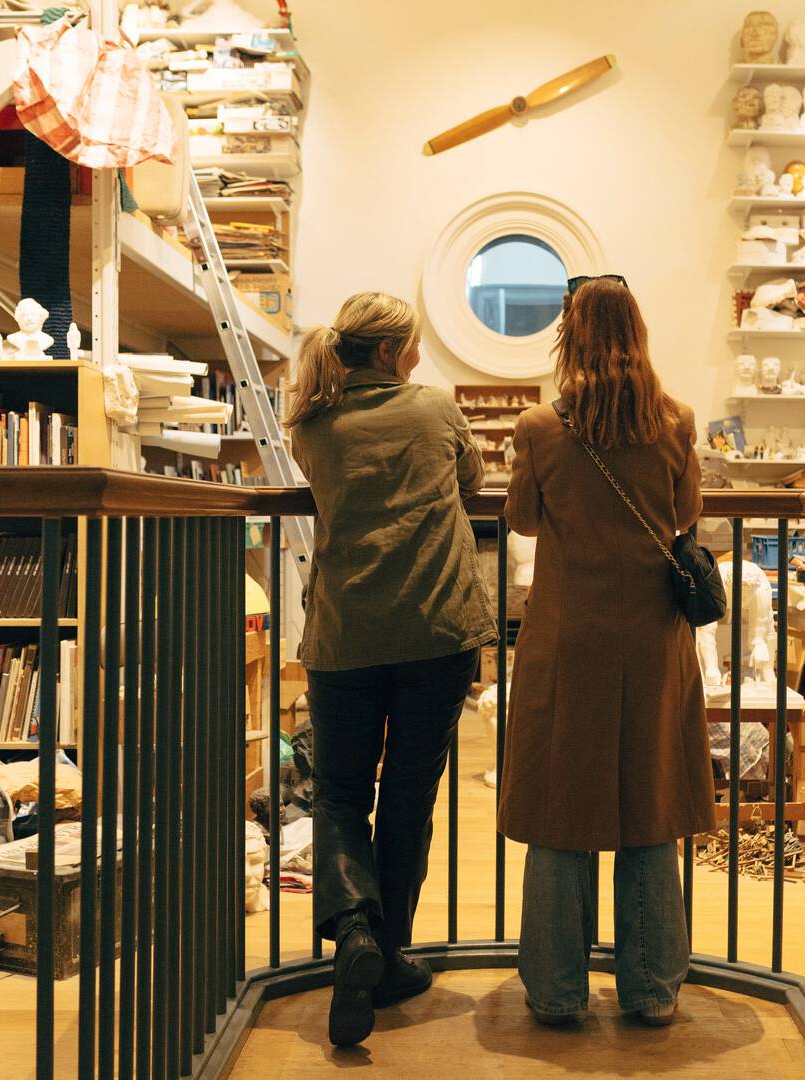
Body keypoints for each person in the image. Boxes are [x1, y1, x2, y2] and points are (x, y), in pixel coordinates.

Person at [499, 276, 714, 1027]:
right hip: (654, 639)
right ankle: (651, 990)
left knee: (563, 809)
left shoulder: (539, 426)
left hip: (568, 640)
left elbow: (523, 520)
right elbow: (685, 514)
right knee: (649, 806)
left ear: (571, 337)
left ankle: (558, 992)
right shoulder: (676, 420)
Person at [287, 291, 497, 1048]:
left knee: (340, 792)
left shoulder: (310, 424)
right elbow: (470, 481)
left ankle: (353, 934)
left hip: (344, 637)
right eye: (410, 345)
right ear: (386, 353)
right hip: (434, 632)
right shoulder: (436, 411)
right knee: (409, 794)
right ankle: (392, 953)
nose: (415, 357)